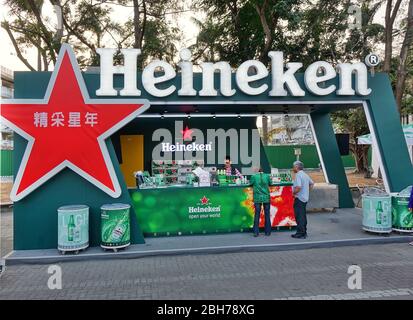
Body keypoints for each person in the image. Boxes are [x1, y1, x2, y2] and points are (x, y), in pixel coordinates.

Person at [291, 161, 314, 239]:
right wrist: (307, 192)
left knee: (299, 216)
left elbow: (298, 187)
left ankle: (300, 233)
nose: (293, 168)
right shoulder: (305, 175)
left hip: (299, 198)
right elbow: (312, 183)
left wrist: (293, 193)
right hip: (305, 198)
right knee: (303, 216)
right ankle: (304, 232)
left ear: (297, 167)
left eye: (293, 167)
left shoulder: (298, 175)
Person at [250, 168, 272, 237]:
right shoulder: (267, 176)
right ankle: (267, 232)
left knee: (257, 214)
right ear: (263, 171)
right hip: (266, 197)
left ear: (258, 171)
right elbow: (271, 183)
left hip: (257, 197)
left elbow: (250, 183)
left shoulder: (254, 176)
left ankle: (256, 232)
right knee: (267, 214)